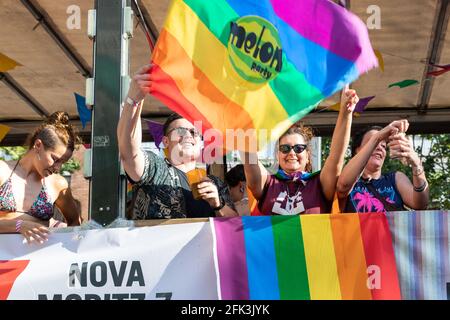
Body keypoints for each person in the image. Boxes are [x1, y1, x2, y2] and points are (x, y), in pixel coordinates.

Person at [118, 64, 238, 219]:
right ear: (166, 142)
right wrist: (133, 100)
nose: (189, 135)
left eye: (194, 132)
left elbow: (236, 228)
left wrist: (218, 204)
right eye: (181, 131)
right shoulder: (156, 169)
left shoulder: (216, 183)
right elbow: (129, 153)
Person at [242, 86, 359, 215]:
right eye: (285, 148)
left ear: (308, 155)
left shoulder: (319, 183)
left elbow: (336, 156)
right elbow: (249, 156)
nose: (292, 153)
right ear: (277, 155)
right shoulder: (268, 182)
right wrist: (245, 116)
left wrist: (345, 113)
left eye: (298, 148)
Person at [0, 111, 82, 243]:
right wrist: (19, 226)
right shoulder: (3, 171)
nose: (58, 168)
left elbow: (75, 222)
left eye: (63, 163)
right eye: (55, 159)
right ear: (38, 145)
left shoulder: (58, 184)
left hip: (37, 261)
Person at [336, 120, 429, 212]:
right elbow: (343, 186)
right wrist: (377, 138)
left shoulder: (395, 179)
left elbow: (421, 204)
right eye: (373, 143)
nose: (379, 148)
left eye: (383, 146)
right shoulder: (347, 180)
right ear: (357, 150)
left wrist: (416, 164)